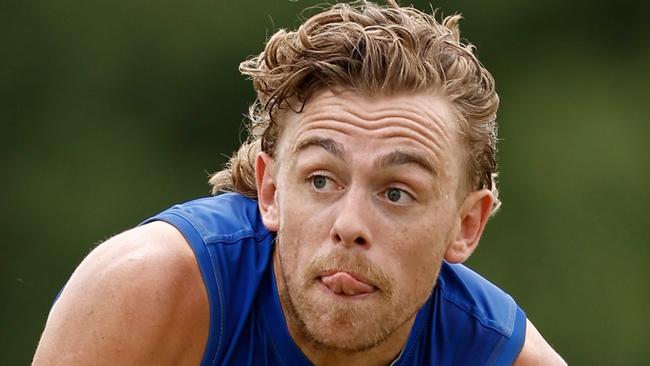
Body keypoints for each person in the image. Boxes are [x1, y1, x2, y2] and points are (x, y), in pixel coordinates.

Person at [33, 1, 567, 365]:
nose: (350, 225)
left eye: (397, 192)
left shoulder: (498, 355)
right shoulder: (143, 293)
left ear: (465, 224)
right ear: (270, 192)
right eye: (320, 180)